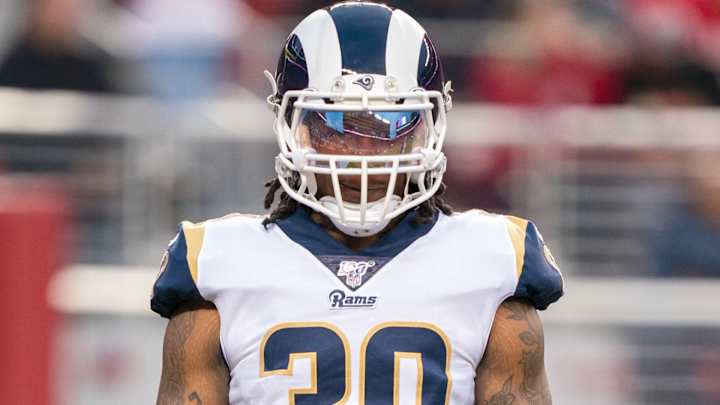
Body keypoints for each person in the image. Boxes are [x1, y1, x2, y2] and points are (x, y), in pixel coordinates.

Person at [150, 2, 564, 404]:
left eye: (391, 124)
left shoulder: (492, 261)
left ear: (428, 128)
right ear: (292, 126)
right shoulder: (218, 263)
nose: (364, 154)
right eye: (337, 125)